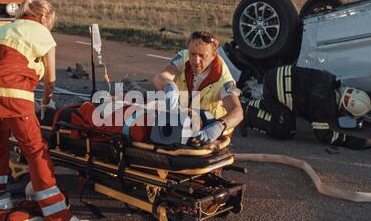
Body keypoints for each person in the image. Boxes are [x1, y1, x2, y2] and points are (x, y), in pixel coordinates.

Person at [0, 0, 91, 221]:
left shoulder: (4, 29)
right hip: (10, 87)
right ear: (45, 18)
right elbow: (50, 80)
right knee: (35, 148)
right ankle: (60, 218)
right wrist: (45, 103)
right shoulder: (42, 33)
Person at [242, 65, 371, 150]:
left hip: (274, 74)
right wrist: (354, 141)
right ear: (344, 110)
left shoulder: (331, 80)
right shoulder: (325, 105)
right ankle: (247, 112)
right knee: (286, 130)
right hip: (274, 91)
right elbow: (324, 135)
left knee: (285, 110)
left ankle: (256, 104)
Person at [152, 30, 244, 143]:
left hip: (211, 134)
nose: (196, 61)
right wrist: (169, 86)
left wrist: (219, 126)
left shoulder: (224, 79)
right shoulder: (184, 56)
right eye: (193, 54)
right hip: (184, 120)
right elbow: (161, 77)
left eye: (202, 56)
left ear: (213, 55)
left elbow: (237, 112)